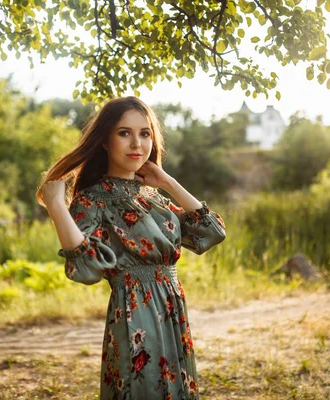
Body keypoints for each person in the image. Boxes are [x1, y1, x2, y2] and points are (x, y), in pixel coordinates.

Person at [36, 96, 226, 399]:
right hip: (134, 314)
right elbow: (85, 270)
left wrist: (168, 182)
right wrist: (57, 206)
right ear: (105, 141)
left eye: (145, 133)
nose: (137, 142)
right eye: (124, 133)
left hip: (172, 310)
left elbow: (211, 232)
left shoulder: (155, 197)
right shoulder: (92, 201)